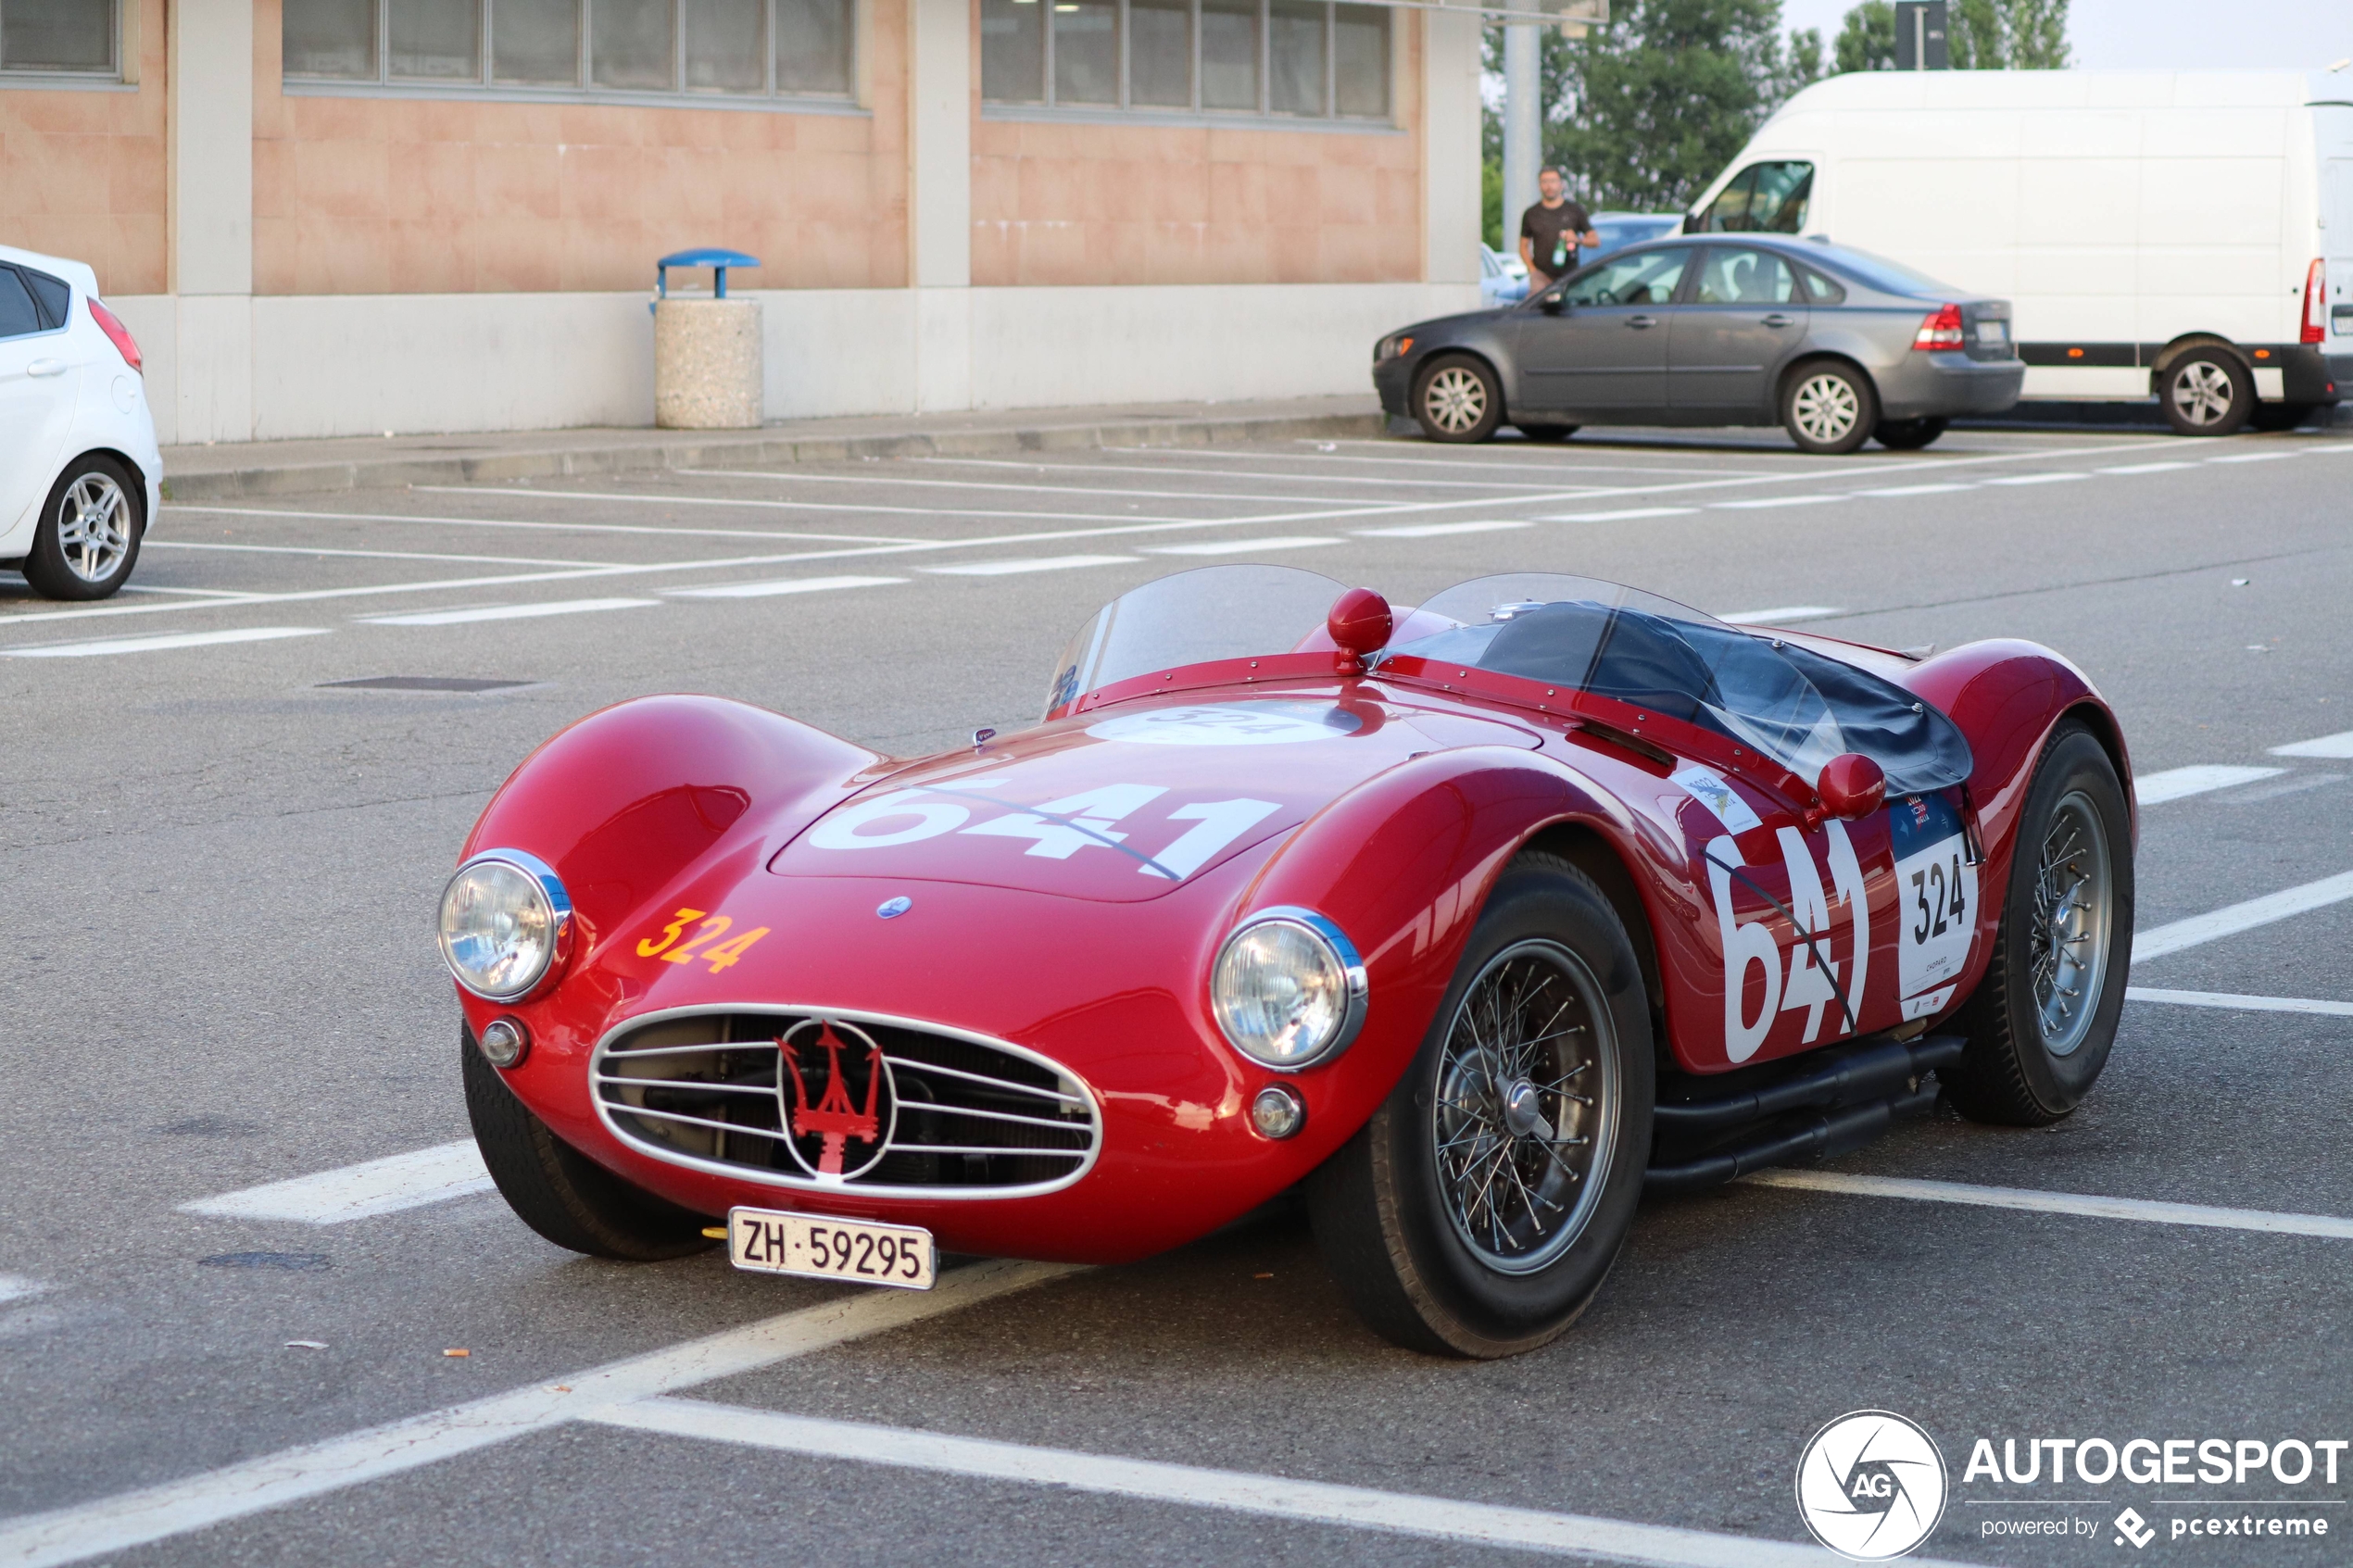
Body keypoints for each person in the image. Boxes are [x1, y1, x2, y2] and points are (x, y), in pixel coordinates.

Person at [1518, 168, 1600, 292]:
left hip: (1570, 275)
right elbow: (1523, 246)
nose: (1549, 186)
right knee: (1538, 309)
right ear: (1539, 185)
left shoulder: (1575, 210)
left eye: (1552, 181)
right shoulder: (1531, 214)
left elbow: (1595, 241)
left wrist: (1577, 240)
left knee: (1571, 309)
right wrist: (1532, 270)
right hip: (1541, 276)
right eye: (1544, 182)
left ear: (1561, 184)